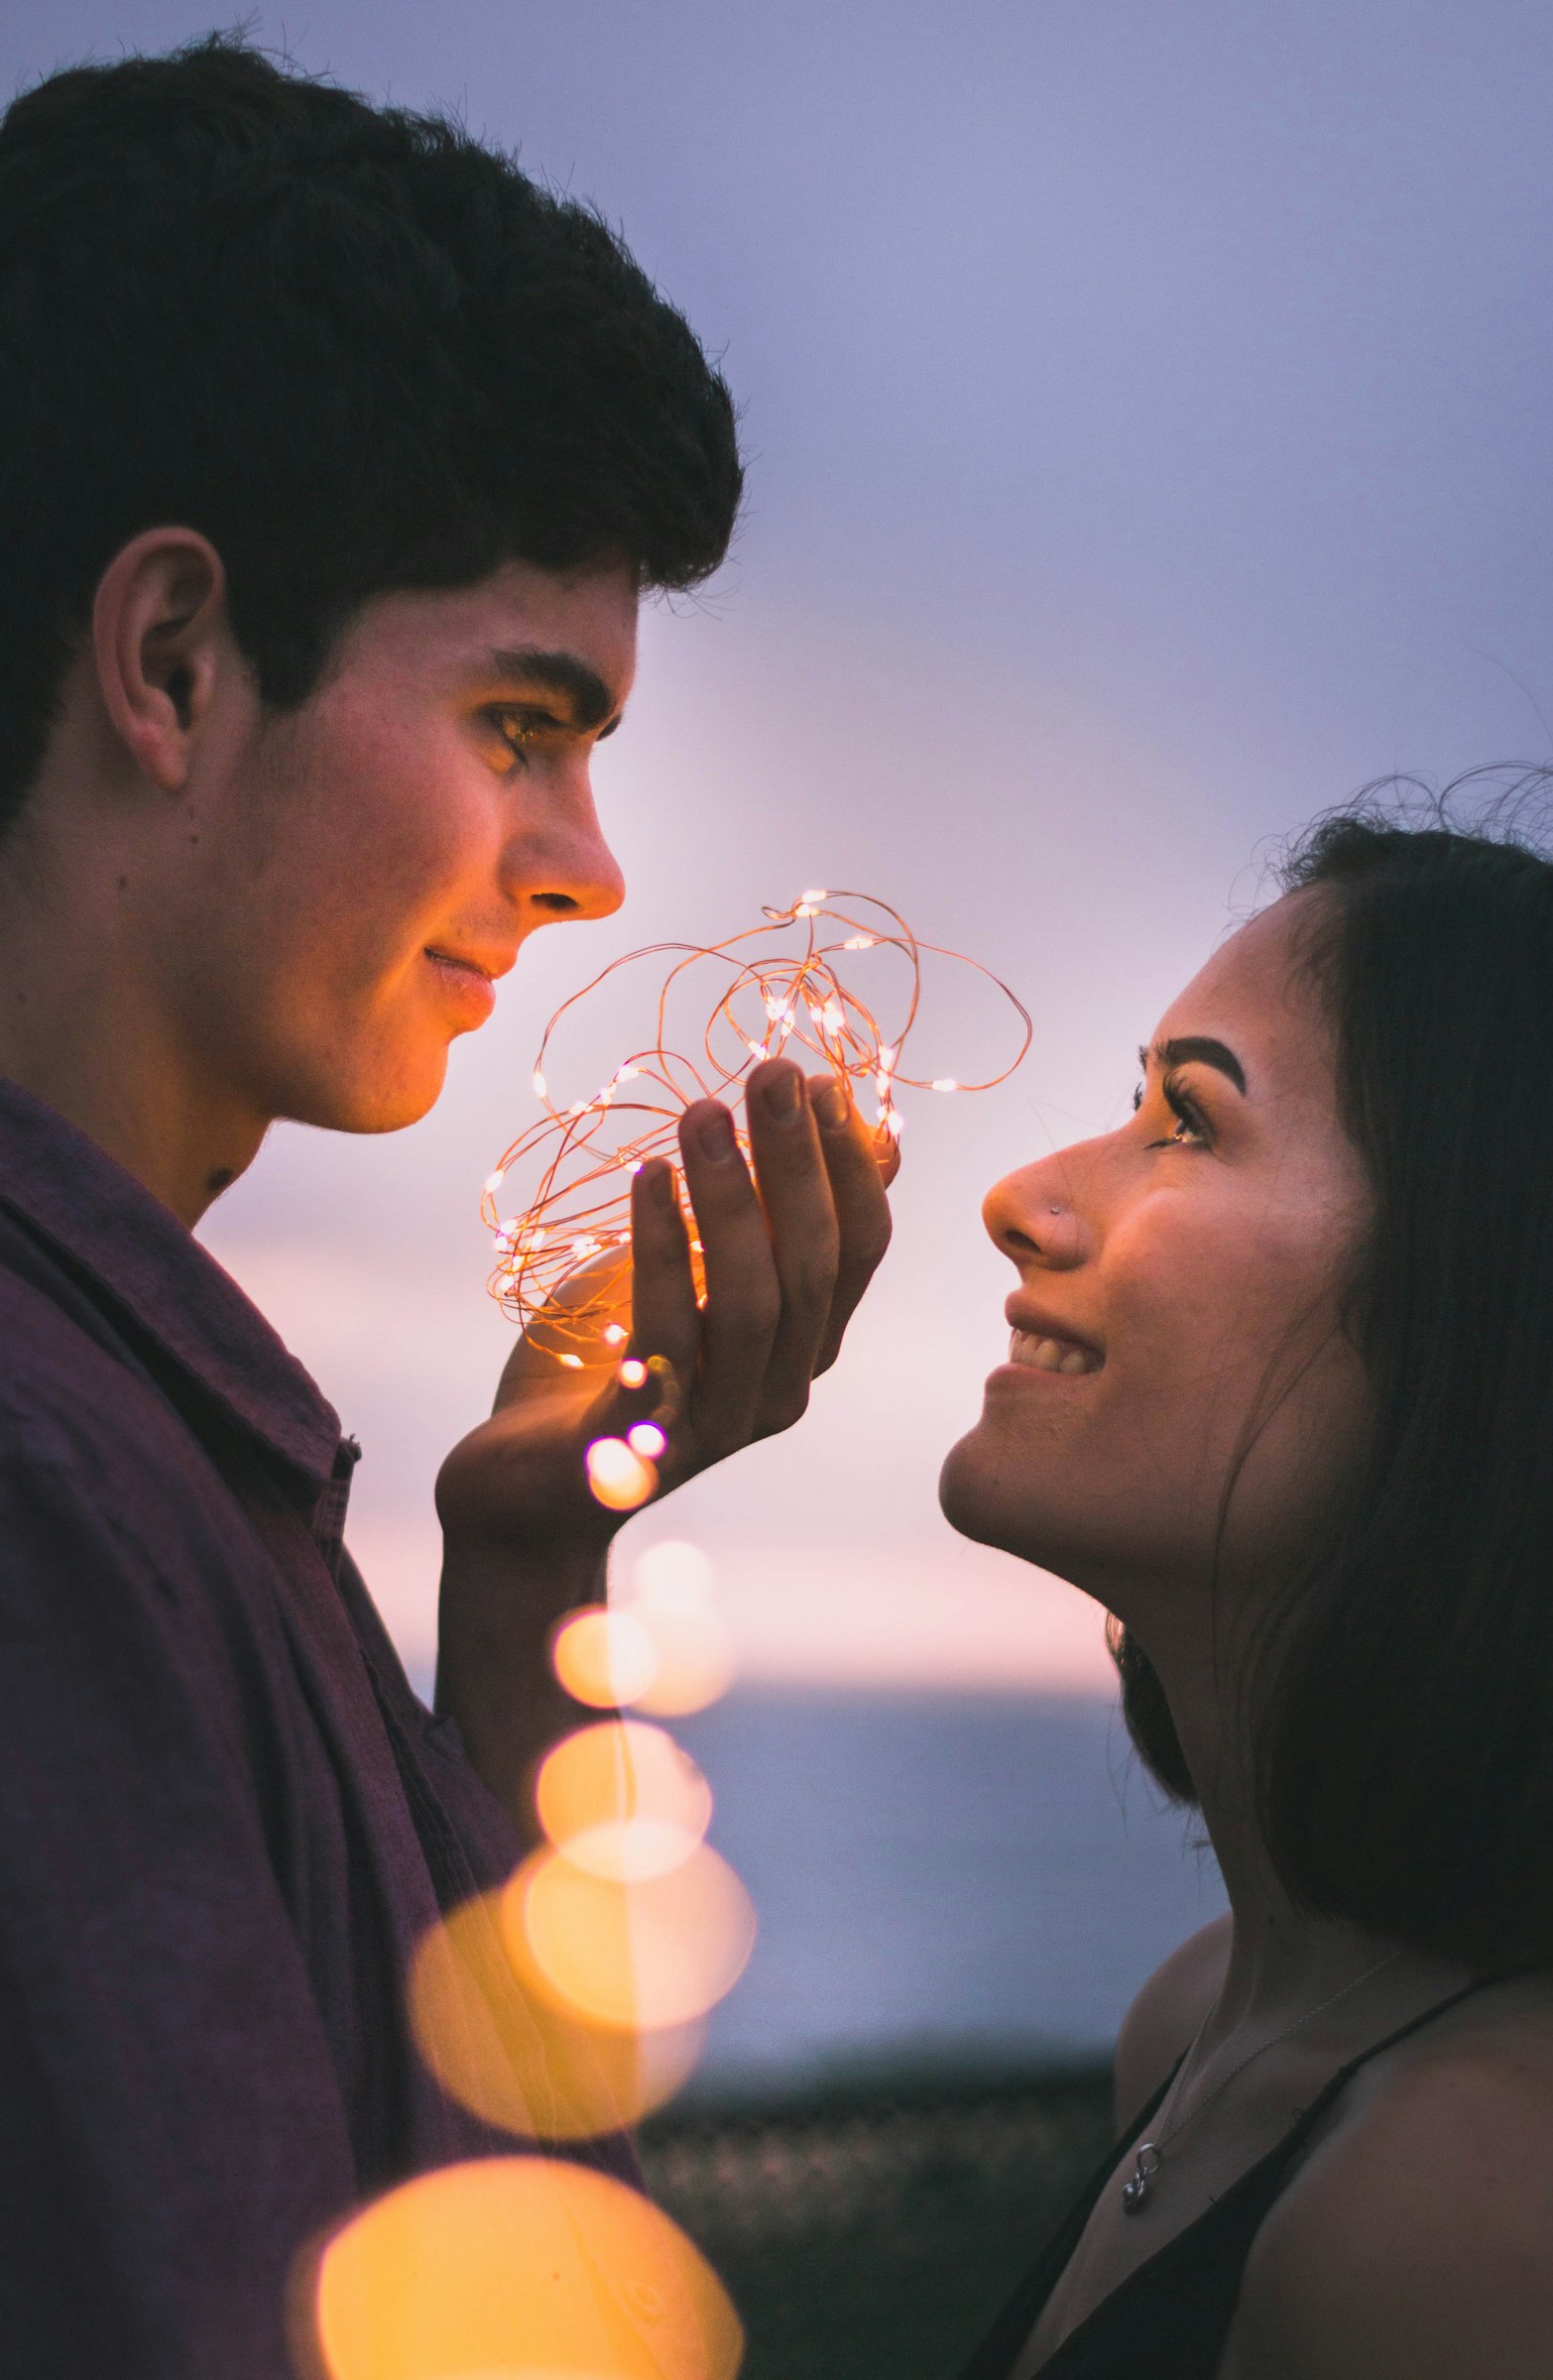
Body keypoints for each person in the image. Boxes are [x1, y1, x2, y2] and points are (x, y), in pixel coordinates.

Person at [0, 35, 894, 2376]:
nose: (589, 867)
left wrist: (522, 1581)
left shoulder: (159, 1443)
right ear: (172, 659)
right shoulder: (51, 1492)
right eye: (520, 725)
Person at [940, 788, 1553, 2379]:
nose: (1022, 1196)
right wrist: (536, 1559)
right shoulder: (1200, 2023)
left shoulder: (1467, 2213)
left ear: (1473, 1307)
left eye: (1191, 1121)